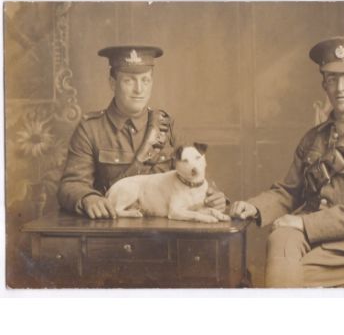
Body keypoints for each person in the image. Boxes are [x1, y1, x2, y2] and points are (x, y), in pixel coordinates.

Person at [230, 37, 344, 287]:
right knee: (280, 238)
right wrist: (255, 207)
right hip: (311, 241)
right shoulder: (313, 138)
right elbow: (289, 192)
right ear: (325, 85)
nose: (341, 87)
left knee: (281, 278)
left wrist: (302, 222)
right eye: (333, 79)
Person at [58, 45, 226, 219]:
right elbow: (71, 184)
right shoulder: (91, 129)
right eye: (129, 80)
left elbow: (195, 171)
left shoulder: (168, 126)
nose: (139, 89)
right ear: (112, 83)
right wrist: (88, 198)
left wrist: (214, 196)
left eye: (145, 80)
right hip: (112, 229)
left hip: (164, 233)